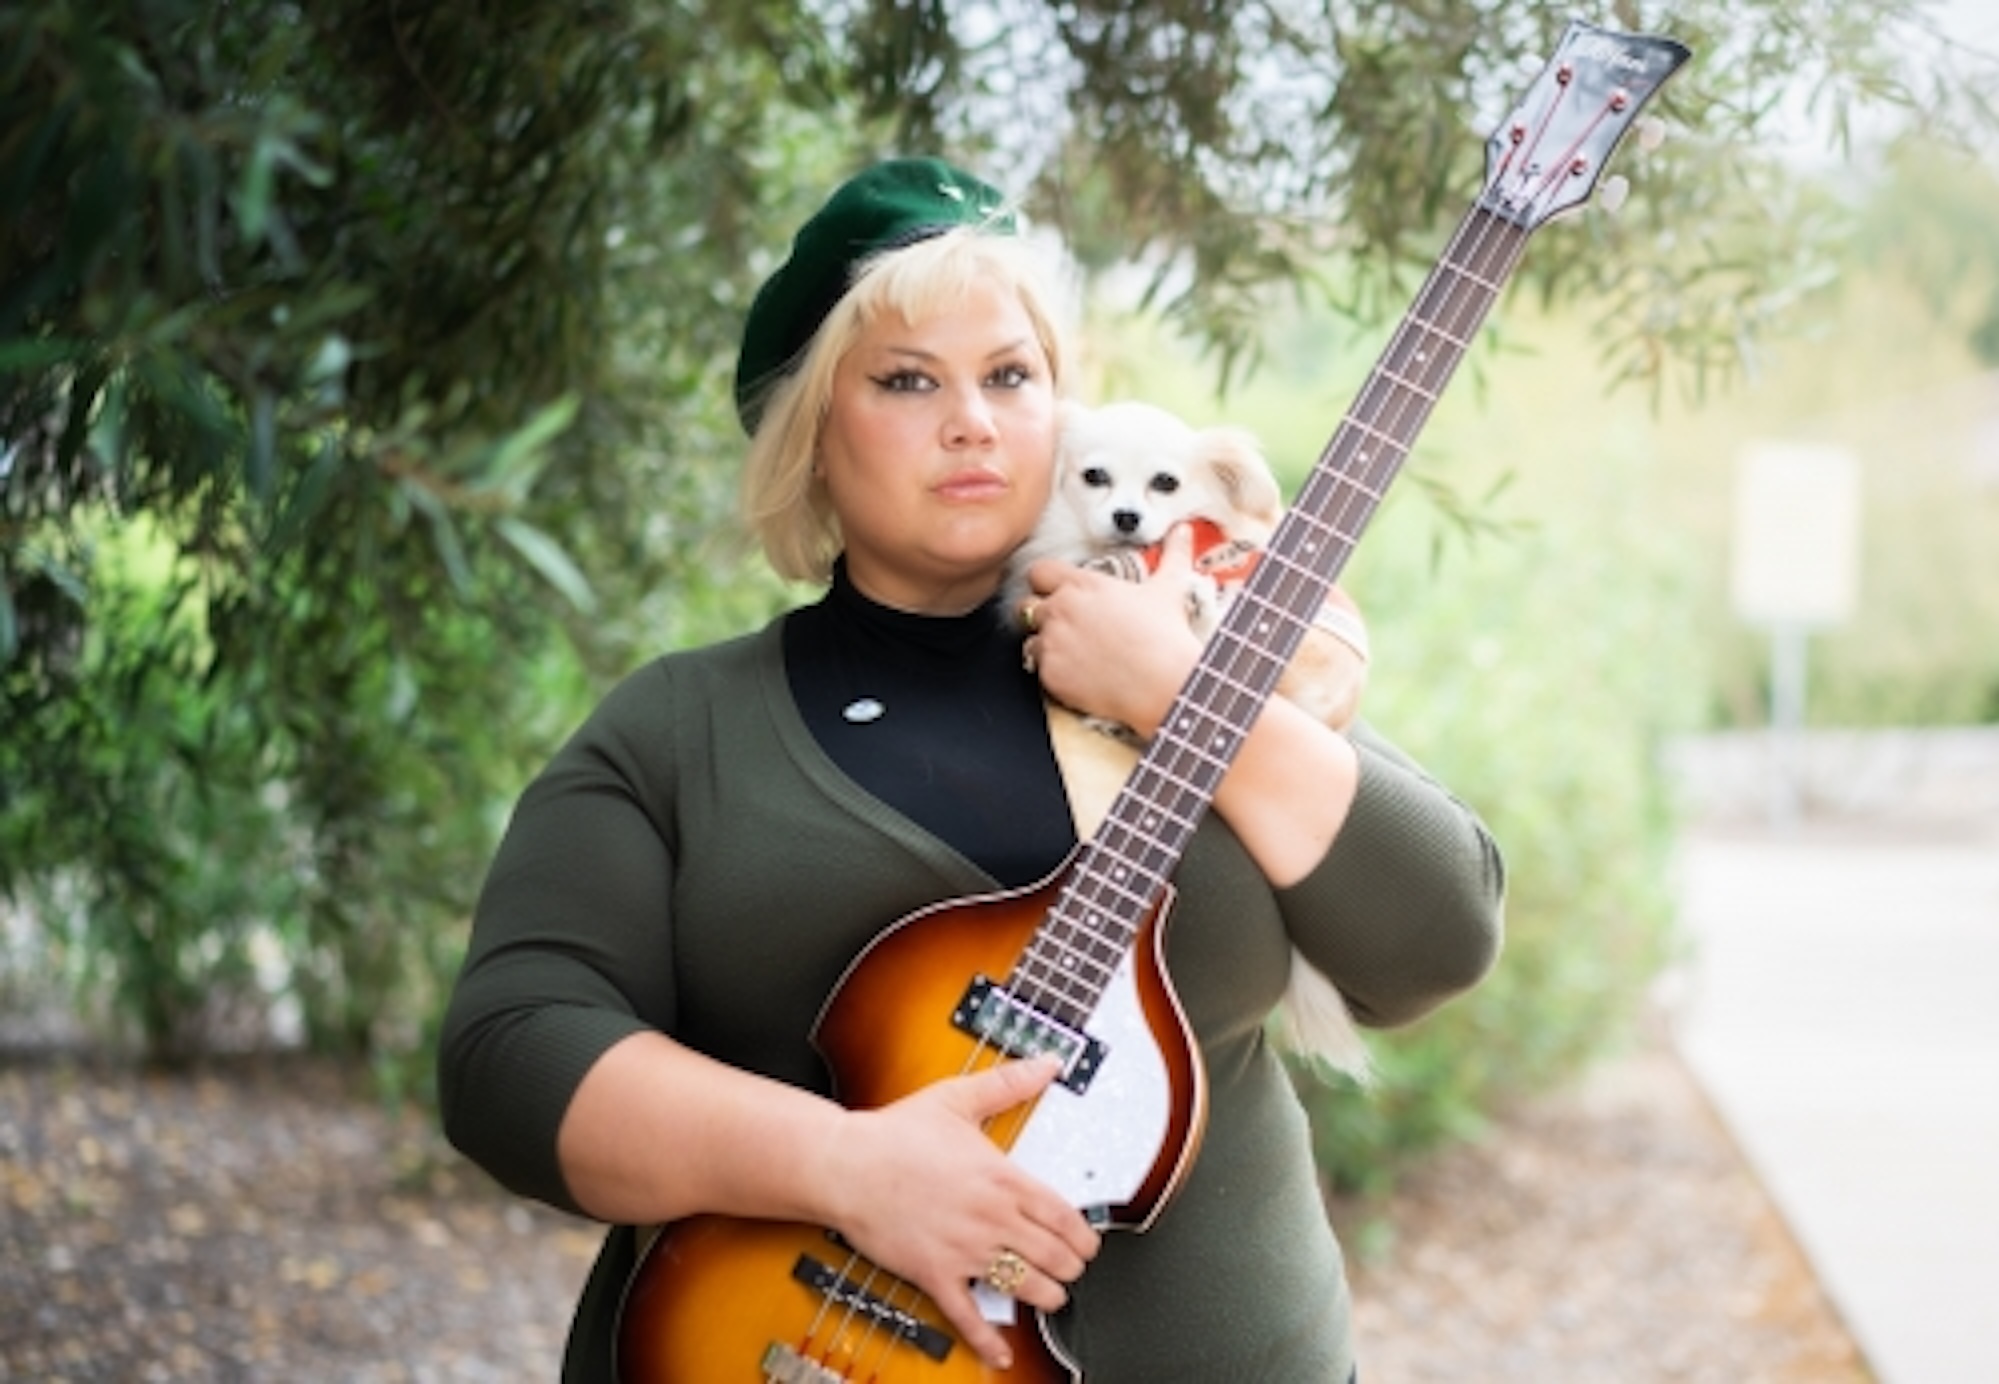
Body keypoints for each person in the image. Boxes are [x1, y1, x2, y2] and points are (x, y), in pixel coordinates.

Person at [439, 156, 1505, 1383]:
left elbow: (1438, 937)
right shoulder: (684, 726)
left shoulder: (1197, 655)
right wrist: (847, 1165)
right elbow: (510, 1050)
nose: (973, 421)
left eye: (1011, 375)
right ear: (810, 442)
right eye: (906, 381)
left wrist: (1179, 694)